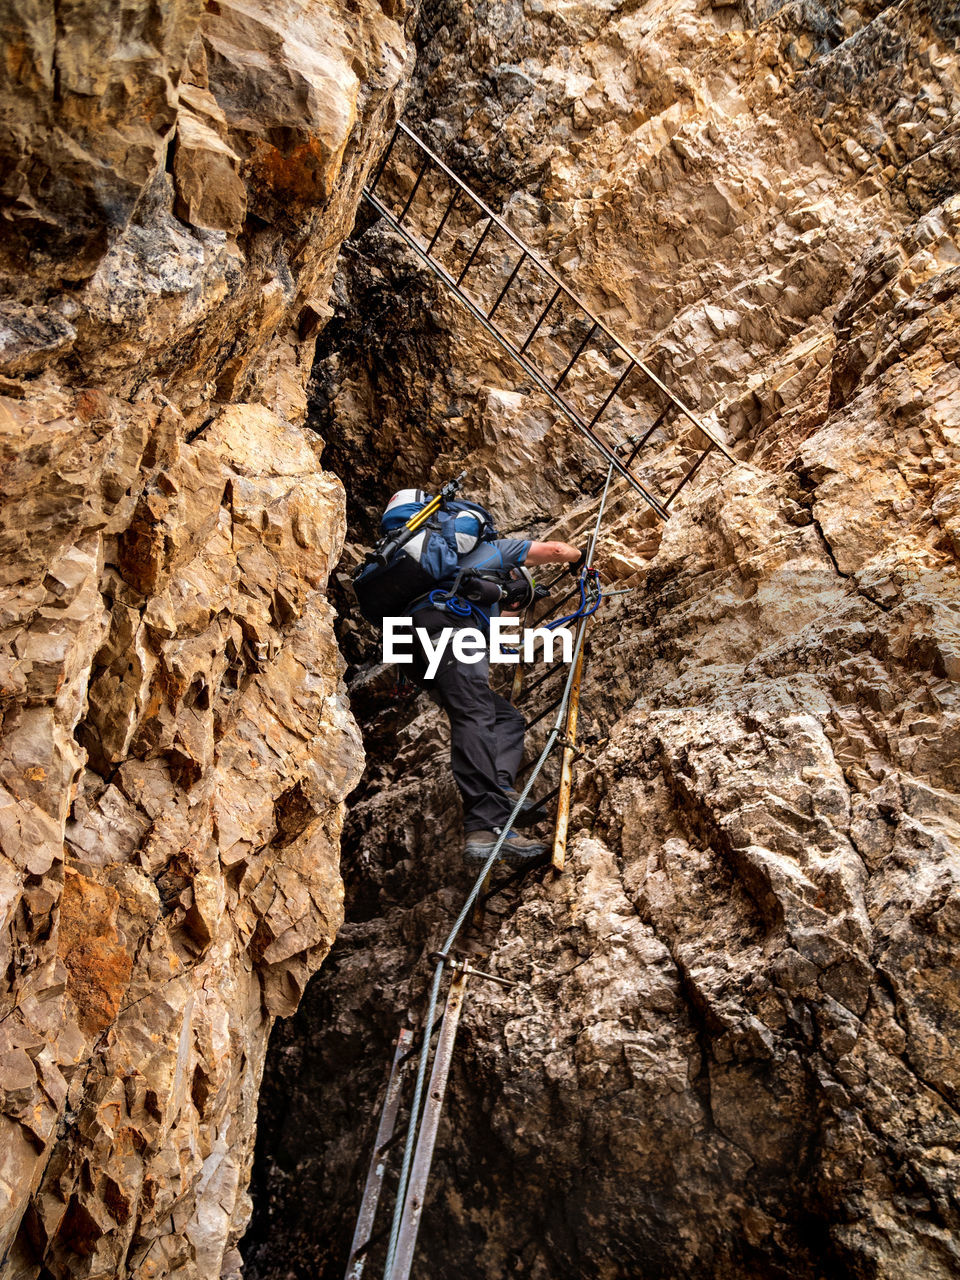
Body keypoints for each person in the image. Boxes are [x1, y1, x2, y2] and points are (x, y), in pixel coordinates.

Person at [404, 527, 585, 864]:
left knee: (505, 718)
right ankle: (485, 826)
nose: (513, 605)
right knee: (474, 715)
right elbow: (556, 550)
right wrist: (582, 558)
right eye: (515, 595)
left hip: (415, 643)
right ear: (512, 575)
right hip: (443, 630)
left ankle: (500, 791)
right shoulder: (495, 550)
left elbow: (503, 630)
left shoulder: (467, 595)